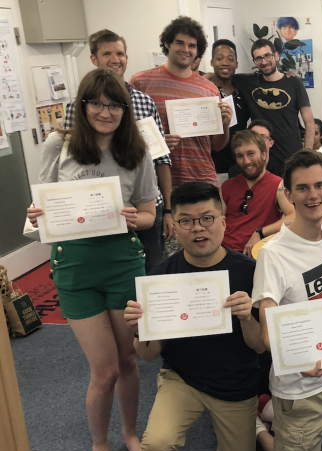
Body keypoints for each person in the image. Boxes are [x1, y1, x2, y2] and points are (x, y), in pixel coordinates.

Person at [27, 69, 158, 451]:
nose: (105, 111)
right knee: (104, 370)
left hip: (122, 261)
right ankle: (100, 444)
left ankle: (131, 432)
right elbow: (40, 206)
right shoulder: (58, 144)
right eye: (96, 103)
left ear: (125, 109)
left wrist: (138, 217)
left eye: (114, 104)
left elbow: (150, 213)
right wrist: (35, 214)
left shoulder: (137, 151)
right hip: (75, 267)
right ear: (82, 105)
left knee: (128, 359)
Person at [123, 182, 265, 451]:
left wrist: (247, 316)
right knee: (155, 448)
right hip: (182, 379)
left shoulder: (251, 272)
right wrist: (140, 331)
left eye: (207, 218)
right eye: (186, 221)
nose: (198, 228)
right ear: (174, 226)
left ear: (223, 222)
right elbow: (149, 355)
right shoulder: (159, 280)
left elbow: (259, 347)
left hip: (237, 382)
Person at [252, 149, 322, 451]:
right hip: (298, 392)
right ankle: (260, 428)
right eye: (302, 188)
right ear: (289, 195)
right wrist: (300, 362)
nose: (312, 195)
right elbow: (266, 335)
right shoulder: (274, 255)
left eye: (319, 186)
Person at [64, 29, 172, 273]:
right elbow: (71, 161)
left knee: (151, 273)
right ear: (94, 59)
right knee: (100, 275)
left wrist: (167, 208)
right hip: (97, 212)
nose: (115, 59)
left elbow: (161, 159)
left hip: (145, 207)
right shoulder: (77, 108)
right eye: (107, 54)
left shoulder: (144, 101)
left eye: (120, 53)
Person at [130, 16, 233, 188]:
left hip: (203, 179)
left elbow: (216, 146)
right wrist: (157, 142)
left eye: (192, 45)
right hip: (157, 182)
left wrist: (225, 125)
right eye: (180, 43)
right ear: (167, 44)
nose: (186, 49)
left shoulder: (209, 89)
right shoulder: (141, 82)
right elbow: (128, 134)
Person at [233, 39, 315, 177]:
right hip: (263, 157)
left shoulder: (294, 83)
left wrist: (307, 154)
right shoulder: (249, 82)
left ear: (276, 56)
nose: (264, 62)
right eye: (258, 58)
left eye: (267, 56)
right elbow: (221, 76)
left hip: (292, 155)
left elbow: (309, 122)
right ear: (254, 62)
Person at [220, 130, 294, 255]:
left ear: (264, 155)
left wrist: (260, 232)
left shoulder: (278, 185)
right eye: (240, 156)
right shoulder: (226, 186)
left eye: (251, 154)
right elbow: (217, 222)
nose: (246, 161)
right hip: (224, 253)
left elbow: (294, 217)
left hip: (256, 254)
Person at [206, 39, 251, 176]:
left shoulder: (244, 90)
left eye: (230, 59)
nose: (225, 63)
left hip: (241, 165)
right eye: (219, 58)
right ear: (212, 62)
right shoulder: (205, 92)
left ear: (236, 64)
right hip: (212, 166)